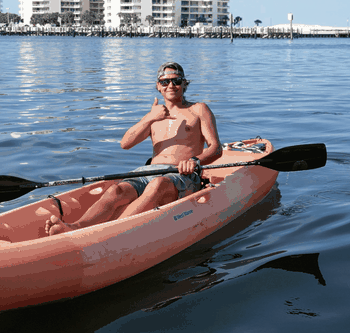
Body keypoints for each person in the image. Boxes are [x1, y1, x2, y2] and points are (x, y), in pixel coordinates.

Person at [46, 62, 221, 235]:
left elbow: (215, 148)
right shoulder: (154, 114)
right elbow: (125, 144)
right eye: (165, 82)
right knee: (117, 190)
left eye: (176, 81)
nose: (170, 86)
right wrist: (150, 118)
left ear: (184, 83)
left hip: (182, 175)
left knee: (157, 185)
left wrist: (195, 160)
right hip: (148, 171)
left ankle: (111, 233)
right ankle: (76, 227)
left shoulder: (198, 109)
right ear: (158, 86)